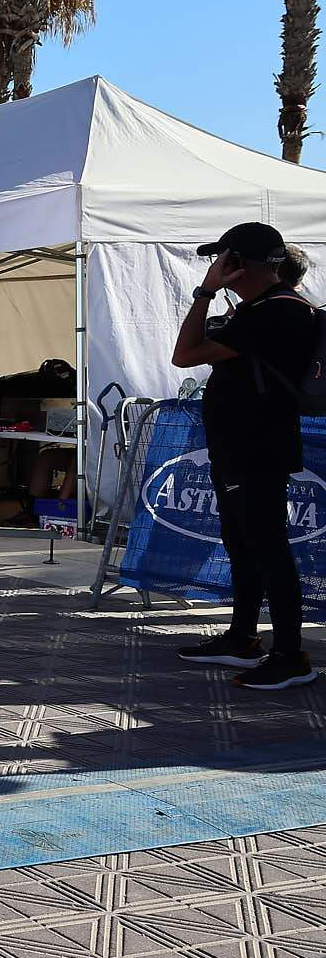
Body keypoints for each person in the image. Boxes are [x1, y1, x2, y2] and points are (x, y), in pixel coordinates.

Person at [172, 223, 318, 690]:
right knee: (242, 544)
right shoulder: (262, 309)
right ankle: (242, 637)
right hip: (240, 445)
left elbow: (184, 354)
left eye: (224, 259)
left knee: (268, 549)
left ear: (241, 264)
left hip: (257, 447)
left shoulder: (278, 311)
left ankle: (291, 656)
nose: (216, 267)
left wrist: (205, 292)